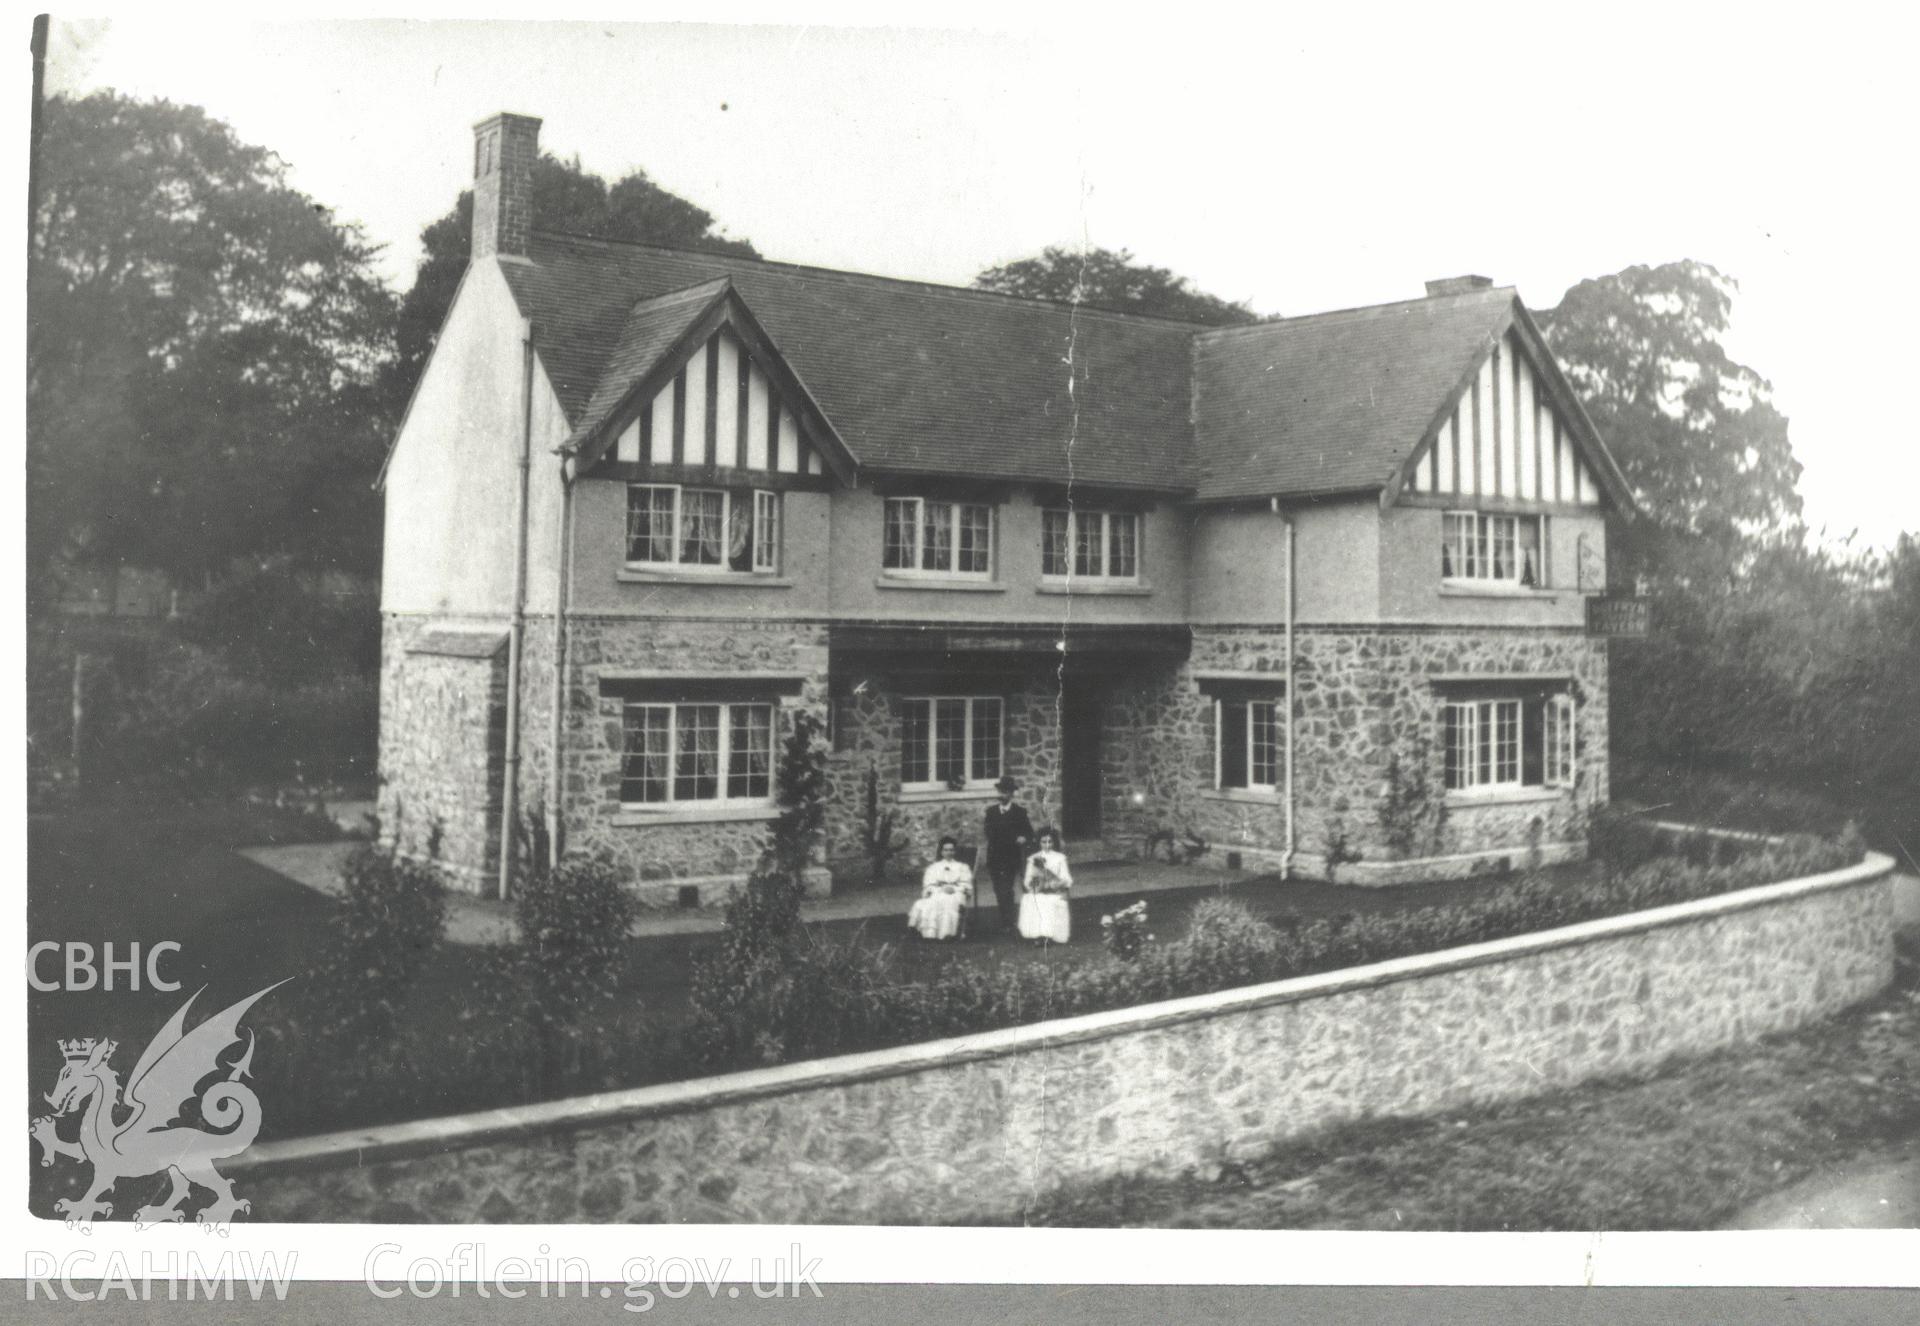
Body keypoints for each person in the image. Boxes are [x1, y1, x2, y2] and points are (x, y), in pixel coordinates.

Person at [982, 776, 1034, 935]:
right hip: (995, 857)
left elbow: (1029, 833)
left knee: (1007, 889)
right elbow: (989, 833)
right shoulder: (991, 812)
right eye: (1000, 792)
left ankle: (1009, 922)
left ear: (1011, 794)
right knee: (999, 890)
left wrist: (1024, 837)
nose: (1001, 795)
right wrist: (1011, 837)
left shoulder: (1019, 812)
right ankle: (1006, 919)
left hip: (1011, 858)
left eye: (1005, 792)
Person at [907, 836, 972, 941]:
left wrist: (955, 889)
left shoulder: (962, 867)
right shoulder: (933, 867)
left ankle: (946, 934)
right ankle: (929, 934)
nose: (948, 852)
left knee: (948, 901)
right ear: (941, 852)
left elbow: (966, 883)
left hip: (956, 893)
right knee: (928, 903)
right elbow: (929, 884)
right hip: (938, 892)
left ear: (954, 851)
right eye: (946, 850)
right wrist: (940, 889)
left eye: (951, 850)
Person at [1017, 827, 1073, 945]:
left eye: (1050, 842)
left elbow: (1067, 879)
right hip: (1039, 890)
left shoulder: (1060, 858)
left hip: (1055, 891)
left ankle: (1049, 935)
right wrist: (1038, 883)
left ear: (1054, 842)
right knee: (1032, 899)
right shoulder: (1033, 859)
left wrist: (1055, 883)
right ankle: (1038, 935)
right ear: (1039, 842)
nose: (1047, 845)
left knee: (1049, 901)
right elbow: (1027, 880)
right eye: (1044, 842)